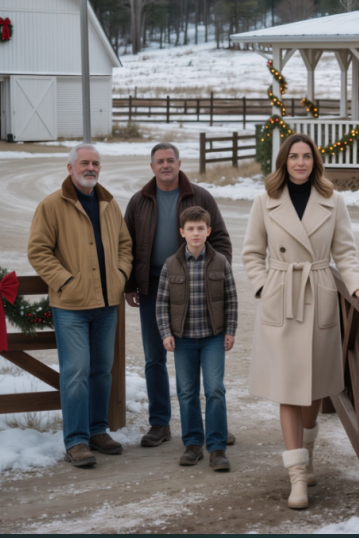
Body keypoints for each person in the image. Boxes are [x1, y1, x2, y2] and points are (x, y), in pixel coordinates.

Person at [242, 133, 359, 510]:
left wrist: (357, 286)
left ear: (315, 161)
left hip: (319, 295)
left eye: (306, 157)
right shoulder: (265, 200)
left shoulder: (333, 200)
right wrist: (266, 286)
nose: (300, 162)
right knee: (288, 389)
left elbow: (345, 252)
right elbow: (251, 253)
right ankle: (297, 476)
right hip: (282, 300)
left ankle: (308, 456)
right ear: (284, 161)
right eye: (294, 156)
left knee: (314, 388)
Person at [27, 144, 132, 467]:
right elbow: (38, 251)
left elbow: (125, 245)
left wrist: (119, 275)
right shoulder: (52, 205)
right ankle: (76, 441)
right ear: (70, 168)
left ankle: (97, 430)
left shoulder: (109, 203)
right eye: (84, 163)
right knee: (75, 373)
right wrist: (67, 282)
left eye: (96, 163)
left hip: (106, 304)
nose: (91, 168)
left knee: (102, 371)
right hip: (71, 306)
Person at [123, 142, 233, 448]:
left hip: (196, 284)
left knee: (201, 360)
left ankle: (215, 427)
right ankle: (159, 423)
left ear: (179, 163)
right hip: (152, 286)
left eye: (171, 160)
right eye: (160, 161)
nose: (166, 165)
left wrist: (214, 277)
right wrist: (129, 284)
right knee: (154, 358)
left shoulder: (200, 196)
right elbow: (127, 246)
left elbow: (221, 238)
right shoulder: (139, 201)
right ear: (152, 166)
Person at [155, 206, 237, 471]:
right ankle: (192, 444)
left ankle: (216, 447)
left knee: (214, 389)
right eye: (190, 229)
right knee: (187, 391)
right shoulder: (171, 265)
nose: (195, 233)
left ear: (208, 231)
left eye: (200, 228)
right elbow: (161, 303)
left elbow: (232, 299)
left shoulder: (220, 262)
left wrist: (230, 330)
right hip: (184, 340)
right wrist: (166, 333)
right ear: (182, 233)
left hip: (213, 338)